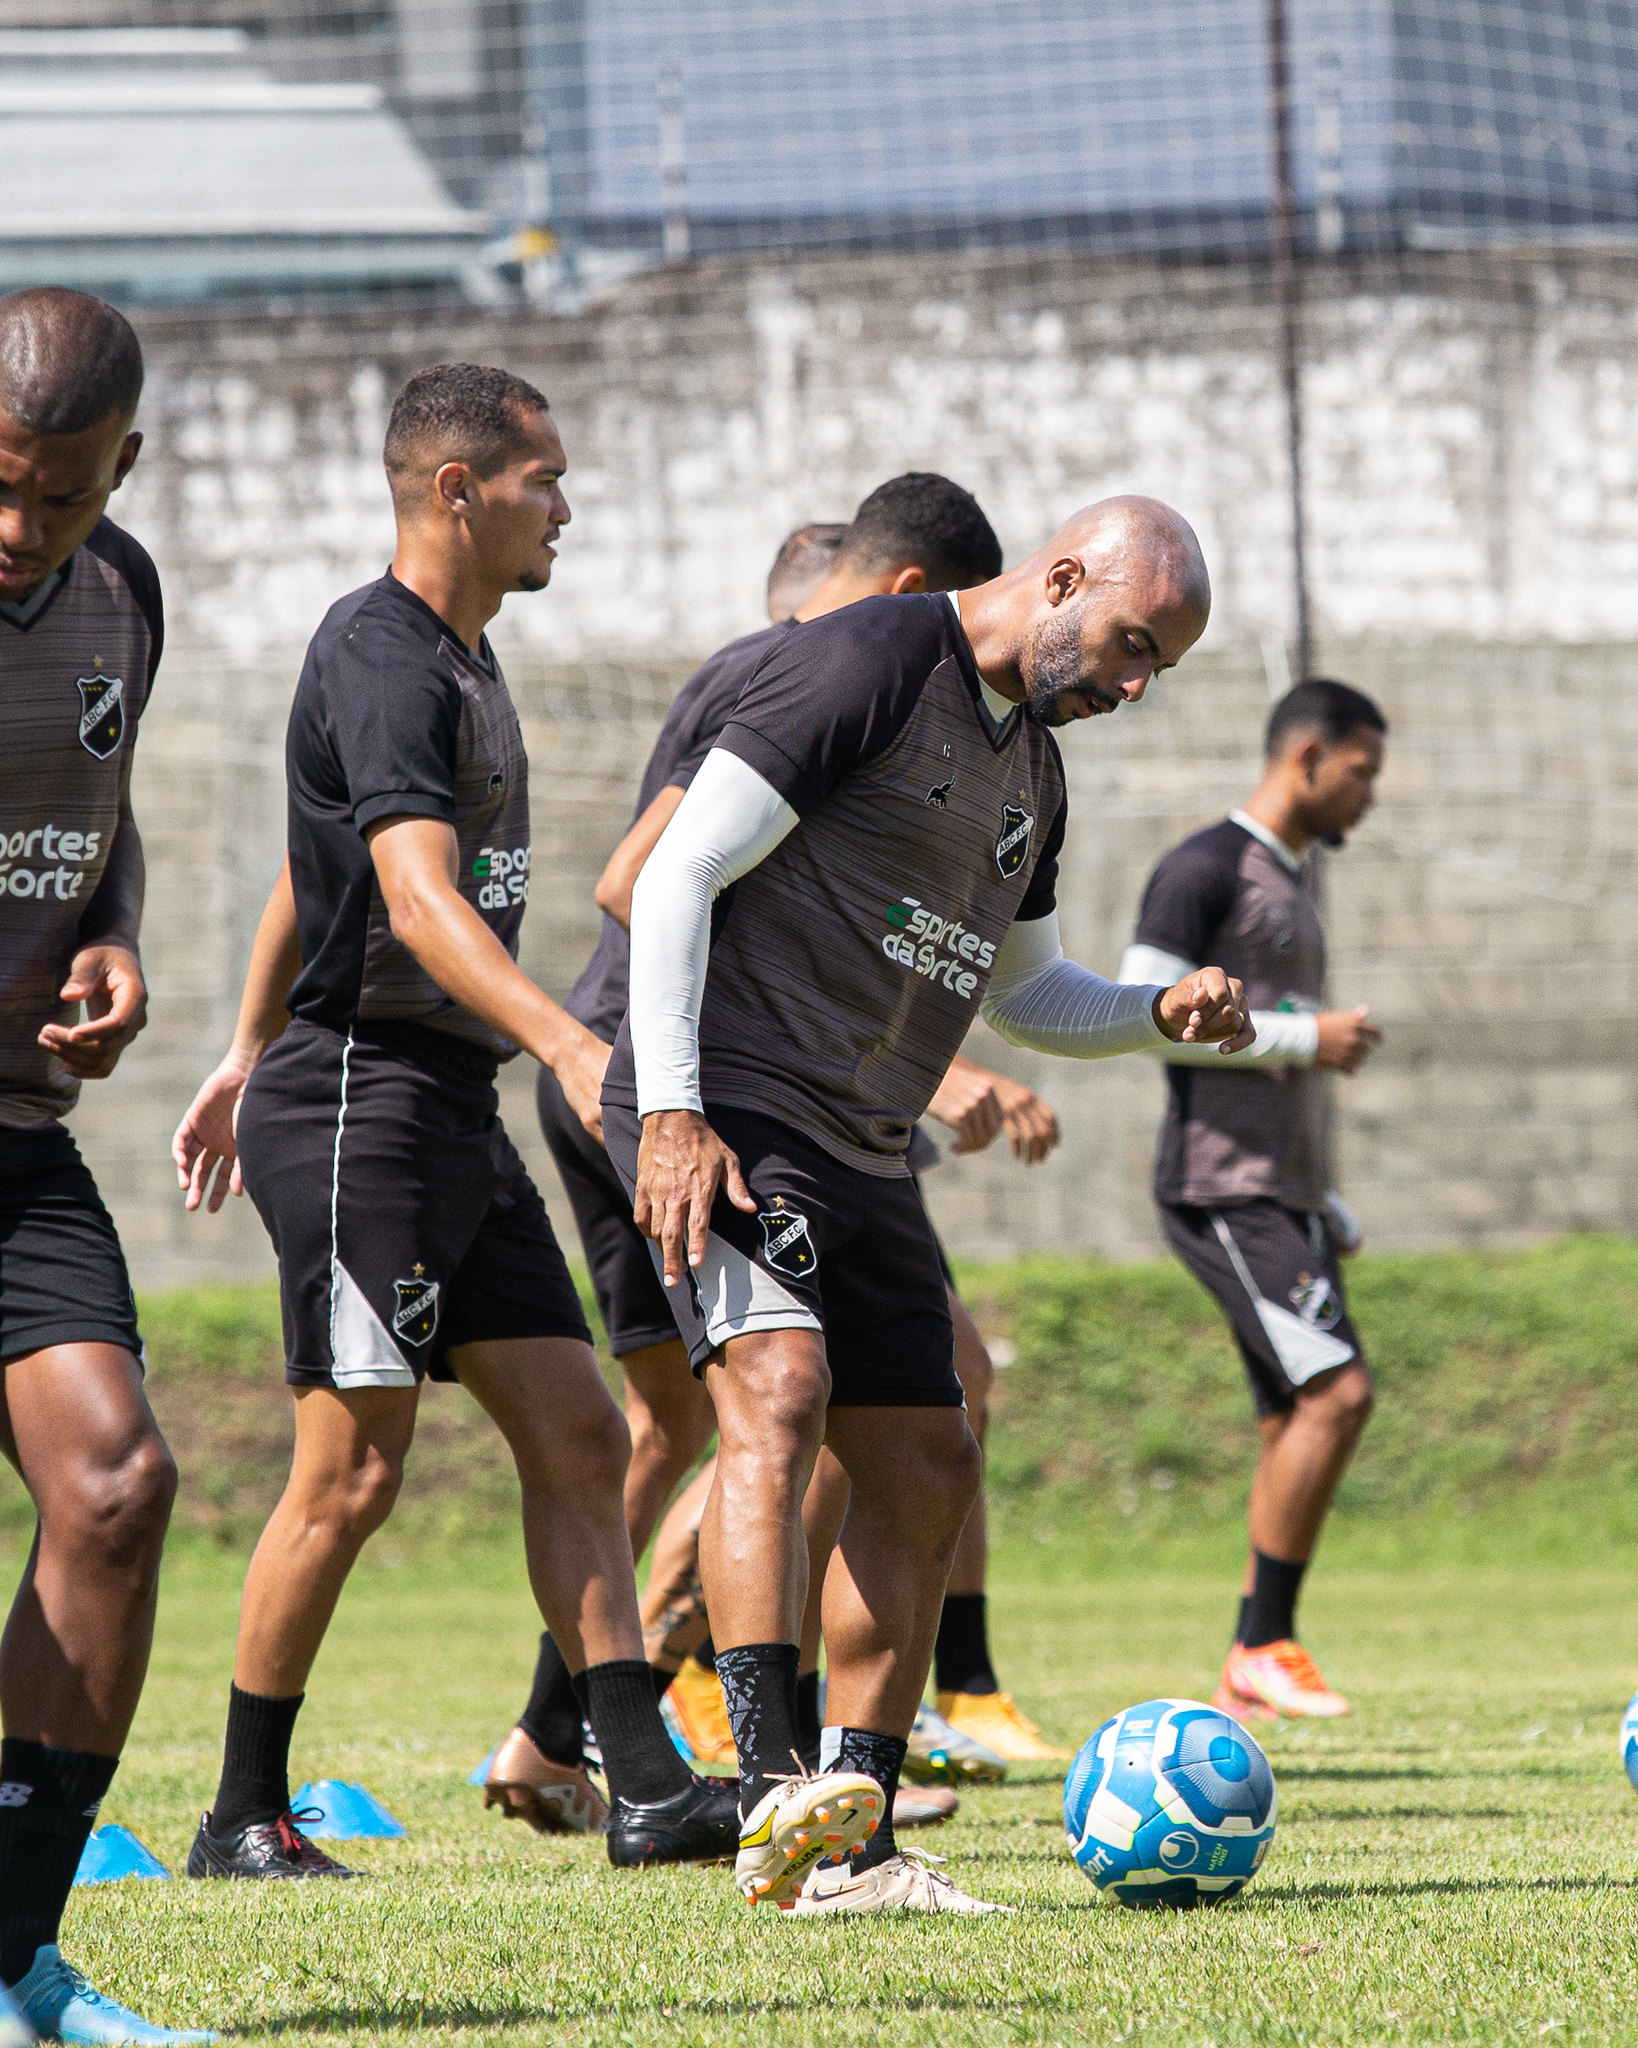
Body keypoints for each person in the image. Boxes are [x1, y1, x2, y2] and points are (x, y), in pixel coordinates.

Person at [609, 494, 1251, 1913]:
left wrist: (1158, 1013)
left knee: (925, 1459)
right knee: (774, 1393)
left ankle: (856, 1828)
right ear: (1065, 575)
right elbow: (673, 876)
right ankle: (769, 1793)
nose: (1132, 685)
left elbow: (1024, 994)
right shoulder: (874, 662)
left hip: (859, 1139)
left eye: (1159, 669)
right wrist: (669, 1110)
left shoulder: (1036, 766)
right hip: (732, 1102)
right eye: (1132, 644)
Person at [169, 364, 736, 1878]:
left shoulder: (465, 661)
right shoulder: (384, 654)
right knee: (351, 1471)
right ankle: (242, 1813)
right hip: (358, 1102)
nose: (567, 506)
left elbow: (316, 863)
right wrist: (567, 1041)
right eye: (544, 479)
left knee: (574, 1429)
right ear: (455, 491)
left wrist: (235, 1042)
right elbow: (409, 900)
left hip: (438, 1104)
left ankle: (645, 1783)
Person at [486, 476, 1050, 1833]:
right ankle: (757, 1753)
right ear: (922, 601)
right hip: (691, 1084)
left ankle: (566, 1733)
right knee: (782, 1398)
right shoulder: (804, 674)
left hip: (749, 1087)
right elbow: (642, 878)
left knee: (716, 1417)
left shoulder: (962, 728)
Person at [0, 288, 214, 2046]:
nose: (18, 528)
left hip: (15, 1134)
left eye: (58, 495)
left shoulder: (125, 594)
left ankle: (9, 1958)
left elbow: (100, 798)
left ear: (118, 471)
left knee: (119, 1485)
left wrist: (116, 941)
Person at [1117, 677, 1386, 1722]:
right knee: (1338, 1392)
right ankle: (1264, 1639)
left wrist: (1326, 1200)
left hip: (1282, 1194)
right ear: (1307, 755)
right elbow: (1142, 1007)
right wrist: (1306, 1038)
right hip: (1220, 1186)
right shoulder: (1204, 866)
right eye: (1360, 772)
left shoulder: (1292, 878)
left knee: (1296, 1409)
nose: (1368, 795)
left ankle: (1254, 1651)